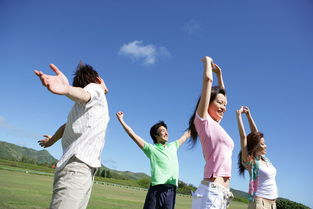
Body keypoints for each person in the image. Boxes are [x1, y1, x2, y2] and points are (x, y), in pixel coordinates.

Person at [34, 62, 109, 209]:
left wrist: (51, 141)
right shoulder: (95, 88)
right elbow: (85, 94)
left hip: (81, 169)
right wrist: (66, 89)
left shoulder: (82, 108)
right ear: (98, 79)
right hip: (78, 168)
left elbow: (65, 126)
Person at [116, 111, 190, 209]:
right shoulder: (151, 148)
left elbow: (186, 136)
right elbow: (132, 134)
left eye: (166, 130)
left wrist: (199, 118)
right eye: (162, 130)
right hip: (157, 189)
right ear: (156, 135)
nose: (166, 132)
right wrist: (121, 120)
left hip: (171, 190)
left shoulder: (173, 145)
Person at [187, 56, 234, 209]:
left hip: (222, 194)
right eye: (219, 103)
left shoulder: (216, 125)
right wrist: (208, 62)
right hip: (211, 193)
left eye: (225, 105)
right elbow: (208, 80)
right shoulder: (203, 121)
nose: (224, 107)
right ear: (208, 103)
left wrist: (220, 75)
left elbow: (223, 96)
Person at [236, 106, 278, 209]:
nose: (265, 146)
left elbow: (256, 135)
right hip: (259, 203)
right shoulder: (250, 162)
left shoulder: (265, 160)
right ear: (255, 146)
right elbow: (243, 137)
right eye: (263, 144)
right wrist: (239, 116)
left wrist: (248, 115)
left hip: (272, 204)